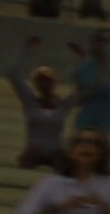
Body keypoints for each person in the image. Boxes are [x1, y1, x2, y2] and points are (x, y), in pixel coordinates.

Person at [8, 37, 69, 170]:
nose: (45, 83)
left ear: (54, 83)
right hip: (35, 149)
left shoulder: (63, 103)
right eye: (41, 80)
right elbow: (13, 74)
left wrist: (84, 58)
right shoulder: (30, 100)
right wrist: (25, 51)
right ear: (36, 83)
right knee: (26, 159)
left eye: (48, 80)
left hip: (56, 151)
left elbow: (89, 88)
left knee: (66, 162)